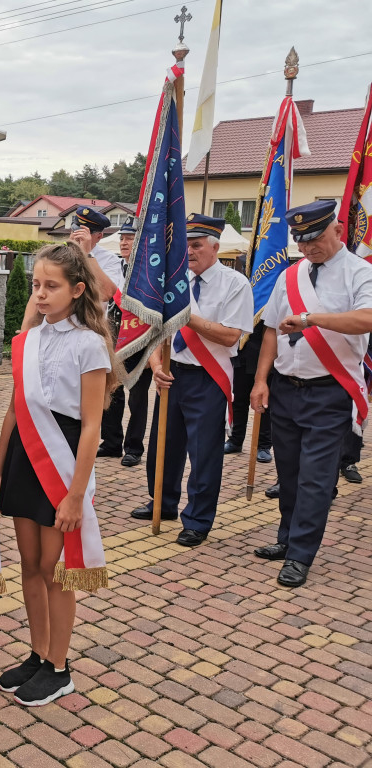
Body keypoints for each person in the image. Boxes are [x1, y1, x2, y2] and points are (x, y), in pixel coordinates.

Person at [0, 243, 114, 707]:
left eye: (51, 286)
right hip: (24, 455)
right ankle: (38, 654)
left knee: (55, 570)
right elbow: (13, 409)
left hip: (62, 459)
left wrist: (76, 496)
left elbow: (91, 427)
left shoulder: (90, 345)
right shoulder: (27, 341)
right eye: (36, 285)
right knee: (29, 565)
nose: (40, 293)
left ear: (77, 290)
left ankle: (60, 667)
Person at [251, 201, 372, 587]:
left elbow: (366, 318)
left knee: (316, 479)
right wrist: (260, 380)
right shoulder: (290, 275)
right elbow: (270, 329)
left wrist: (310, 318)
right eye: (301, 242)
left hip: (330, 392)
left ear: (337, 230)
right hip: (287, 389)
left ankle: (301, 555)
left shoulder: (360, 273)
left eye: (316, 239)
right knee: (289, 473)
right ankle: (286, 540)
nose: (308, 249)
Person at [129, 215, 253, 546]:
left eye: (197, 245)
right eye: (187, 245)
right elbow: (155, 331)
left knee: (203, 454)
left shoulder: (235, 284)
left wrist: (189, 317)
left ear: (215, 247)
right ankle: (162, 503)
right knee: (162, 447)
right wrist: (155, 365)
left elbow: (230, 337)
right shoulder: (174, 281)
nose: (191, 251)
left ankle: (198, 520)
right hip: (173, 374)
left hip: (208, 378)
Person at [97, 220, 152, 465]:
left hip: (139, 342)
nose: (124, 242)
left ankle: (133, 448)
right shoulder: (115, 266)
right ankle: (111, 443)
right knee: (112, 392)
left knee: (137, 398)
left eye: (130, 238)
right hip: (116, 339)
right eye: (122, 238)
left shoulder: (148, 274)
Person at [224, 321, 273, 463]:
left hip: (263, 352)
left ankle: (263, 445)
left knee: (264, 404)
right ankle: (235, 440)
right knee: (238, 399)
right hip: (242, 351)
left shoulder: (269, 297)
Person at [68, 207, 121, 303]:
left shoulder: (110, 259)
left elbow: (106, 294)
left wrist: (86, 254)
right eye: (75, 230)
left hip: (88, 317)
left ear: (99, 236)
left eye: (84, 233)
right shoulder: (59, 253)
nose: (77, 236)